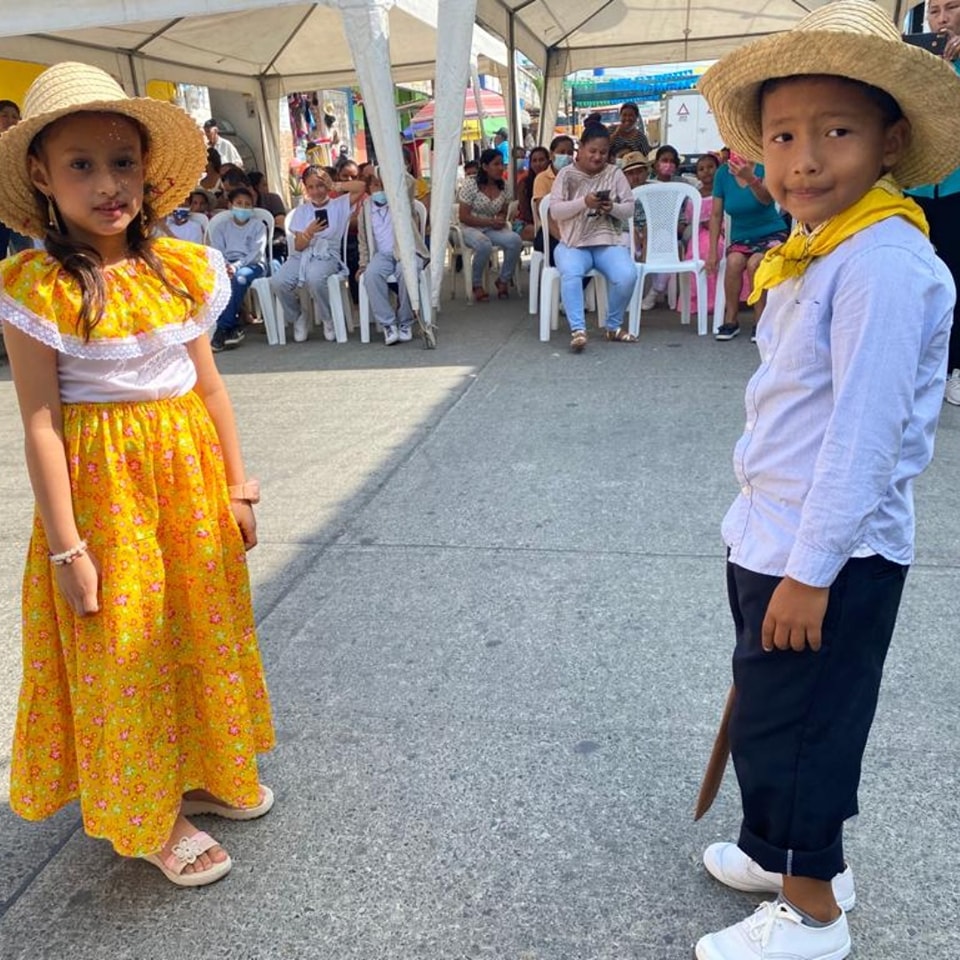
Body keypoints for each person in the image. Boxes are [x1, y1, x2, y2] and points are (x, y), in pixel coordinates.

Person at [695, 5, 960, 958]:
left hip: (829, 553)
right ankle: (786, 855)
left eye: (836, 132)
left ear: (891, 141)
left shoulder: (883, 262)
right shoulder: (824, 245)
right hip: (773, 534)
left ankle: (814, 912)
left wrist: (811, 573)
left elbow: (862, 439)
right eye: (782, 136)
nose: (803, 159)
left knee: (807, 727)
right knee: (773, 711)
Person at [0, 61, 276, 887]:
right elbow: (41, 422)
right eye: (80, 164)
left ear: (147, 171)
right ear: (41, 176)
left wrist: (237, 486)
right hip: (105, 498)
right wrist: (66, 546)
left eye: (122, 162)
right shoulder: (37, 288)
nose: (107, 184)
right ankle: (151, 813)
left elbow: (210, 385)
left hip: (189, 485)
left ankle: (203, 767)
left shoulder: (178, 269)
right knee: (124, 648)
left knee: (197, 626)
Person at [908, 0, 960, 404]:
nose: (941, 19)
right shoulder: (915, 64)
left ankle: (954, 367)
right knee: (915, 278)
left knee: (956, 277)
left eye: (952, 8)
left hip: (957, 187)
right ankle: (918, 365)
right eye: (934, 11)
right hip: (917, 187)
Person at [549, 123, 638, 352]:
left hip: (606, 242)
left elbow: (629, 208)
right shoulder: (566, 174)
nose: (598, 157)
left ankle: (613, 326)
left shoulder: (614, 173)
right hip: (573, 243)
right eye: (593, 151)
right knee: (571, 273)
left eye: (603, 152)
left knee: (627, 275)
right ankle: (578, 330)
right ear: (580, 148)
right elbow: (555, 211)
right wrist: (584, 203)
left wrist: (612, 208)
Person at [269, 164, 364, 342]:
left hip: (328, 255)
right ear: (306, 188)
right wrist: (309, 232)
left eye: (320, 185)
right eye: (311, 187)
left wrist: (335, 185)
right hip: (303, 254)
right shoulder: (302, 211)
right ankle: (298, 317)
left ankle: (328, 318)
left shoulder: (339, 204)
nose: (316, 191)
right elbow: (298, 246)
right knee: (278, 281)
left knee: (314, 277)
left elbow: (361, 187)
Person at [706, 149, 789, 341]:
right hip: (741, 237)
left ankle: (761, 322)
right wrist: (712, 251)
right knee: (734, 262)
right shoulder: (722, 174)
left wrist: (750, 179)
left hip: (771, 233)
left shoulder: (763, 167)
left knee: (755, 264)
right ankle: (730, 320)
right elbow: (716, 215)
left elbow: (767, 200)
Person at [356, 166, 429, 345]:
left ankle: (405, 321)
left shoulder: (401, 201)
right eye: (375, 185)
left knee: (406, 272)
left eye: (384, 185)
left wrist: (382, 169)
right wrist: (363, 263)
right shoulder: (366, 208)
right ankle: (388, 323)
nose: (380, 189)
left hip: (407, 251)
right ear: (369, 188)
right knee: (371, 276)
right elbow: (363, 240)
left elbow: (409, 181)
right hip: (382, 254)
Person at [208, 185, 269, 352]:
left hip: (252, 265)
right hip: (226, 265)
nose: (243, 207)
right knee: (213, 281)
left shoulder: (258, 226)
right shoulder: (221, 228)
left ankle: (223, 328)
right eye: (239, 203)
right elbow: (217, 251)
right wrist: (226, 265)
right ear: (230, 205)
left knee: (239, 278)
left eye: (247, 204)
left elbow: (256, 253)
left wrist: (236, 266)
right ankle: (232, 327)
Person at [456, 147, 522, 301]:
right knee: (483, 244)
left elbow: (504, 209)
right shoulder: (471, 184)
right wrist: (489, 221)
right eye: (496, 164)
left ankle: (503, 279)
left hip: (491, 228)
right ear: (485, 167)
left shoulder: (503, 186)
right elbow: (463, 216)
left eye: (502, 164)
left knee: (515, 240)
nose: (501, 168)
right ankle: (476, 284)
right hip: (469, 227)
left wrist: (500, 219)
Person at [640, 145, 689, 310]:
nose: (668, 164)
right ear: (655, 164)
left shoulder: (683, 184)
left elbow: (688, 208)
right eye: (664, 160)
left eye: (672, 161)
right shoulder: (647, 184)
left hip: (675, 228)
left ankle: (656, 290)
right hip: (649, 229)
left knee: (668, 242)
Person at [531, 134, 575, 260]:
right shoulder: (542, 178)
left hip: (573, 228)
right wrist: (561, 237)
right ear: (552, 155)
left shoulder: (577, 176)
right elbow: (543, 212)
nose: (566, 156)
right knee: (560, 254)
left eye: (570, 153)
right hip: (550, 230)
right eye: (562, 152)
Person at [0, 99, 33, 258]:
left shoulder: (23, 146)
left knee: (24, 254)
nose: (10, 119)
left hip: (20, 209)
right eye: (4, 115)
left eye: (14, 116)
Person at [336, 157, 365, 305]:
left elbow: (359, 223)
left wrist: (342, 220)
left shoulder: (364, 197)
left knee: (354, 254)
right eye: (345, 176)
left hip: (358, 241)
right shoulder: (331, 197)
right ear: (338, 177)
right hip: (336, 241)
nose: (349, 180)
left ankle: (358, 300)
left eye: (353, 177)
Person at [248, 170, 287, 263]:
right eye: (264, 185)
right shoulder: (242, 207)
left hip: (272, 246)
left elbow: (281, 224)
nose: (267, 188)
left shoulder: (273, 199)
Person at [514, 146, 550, 241]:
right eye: (534, 161)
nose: (538, 164)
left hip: (550, 222)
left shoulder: (553, 180)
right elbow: (525, 210)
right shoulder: (524, 183)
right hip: (526, 223)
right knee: (542, 234)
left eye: (541, 160)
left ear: (548, 161)